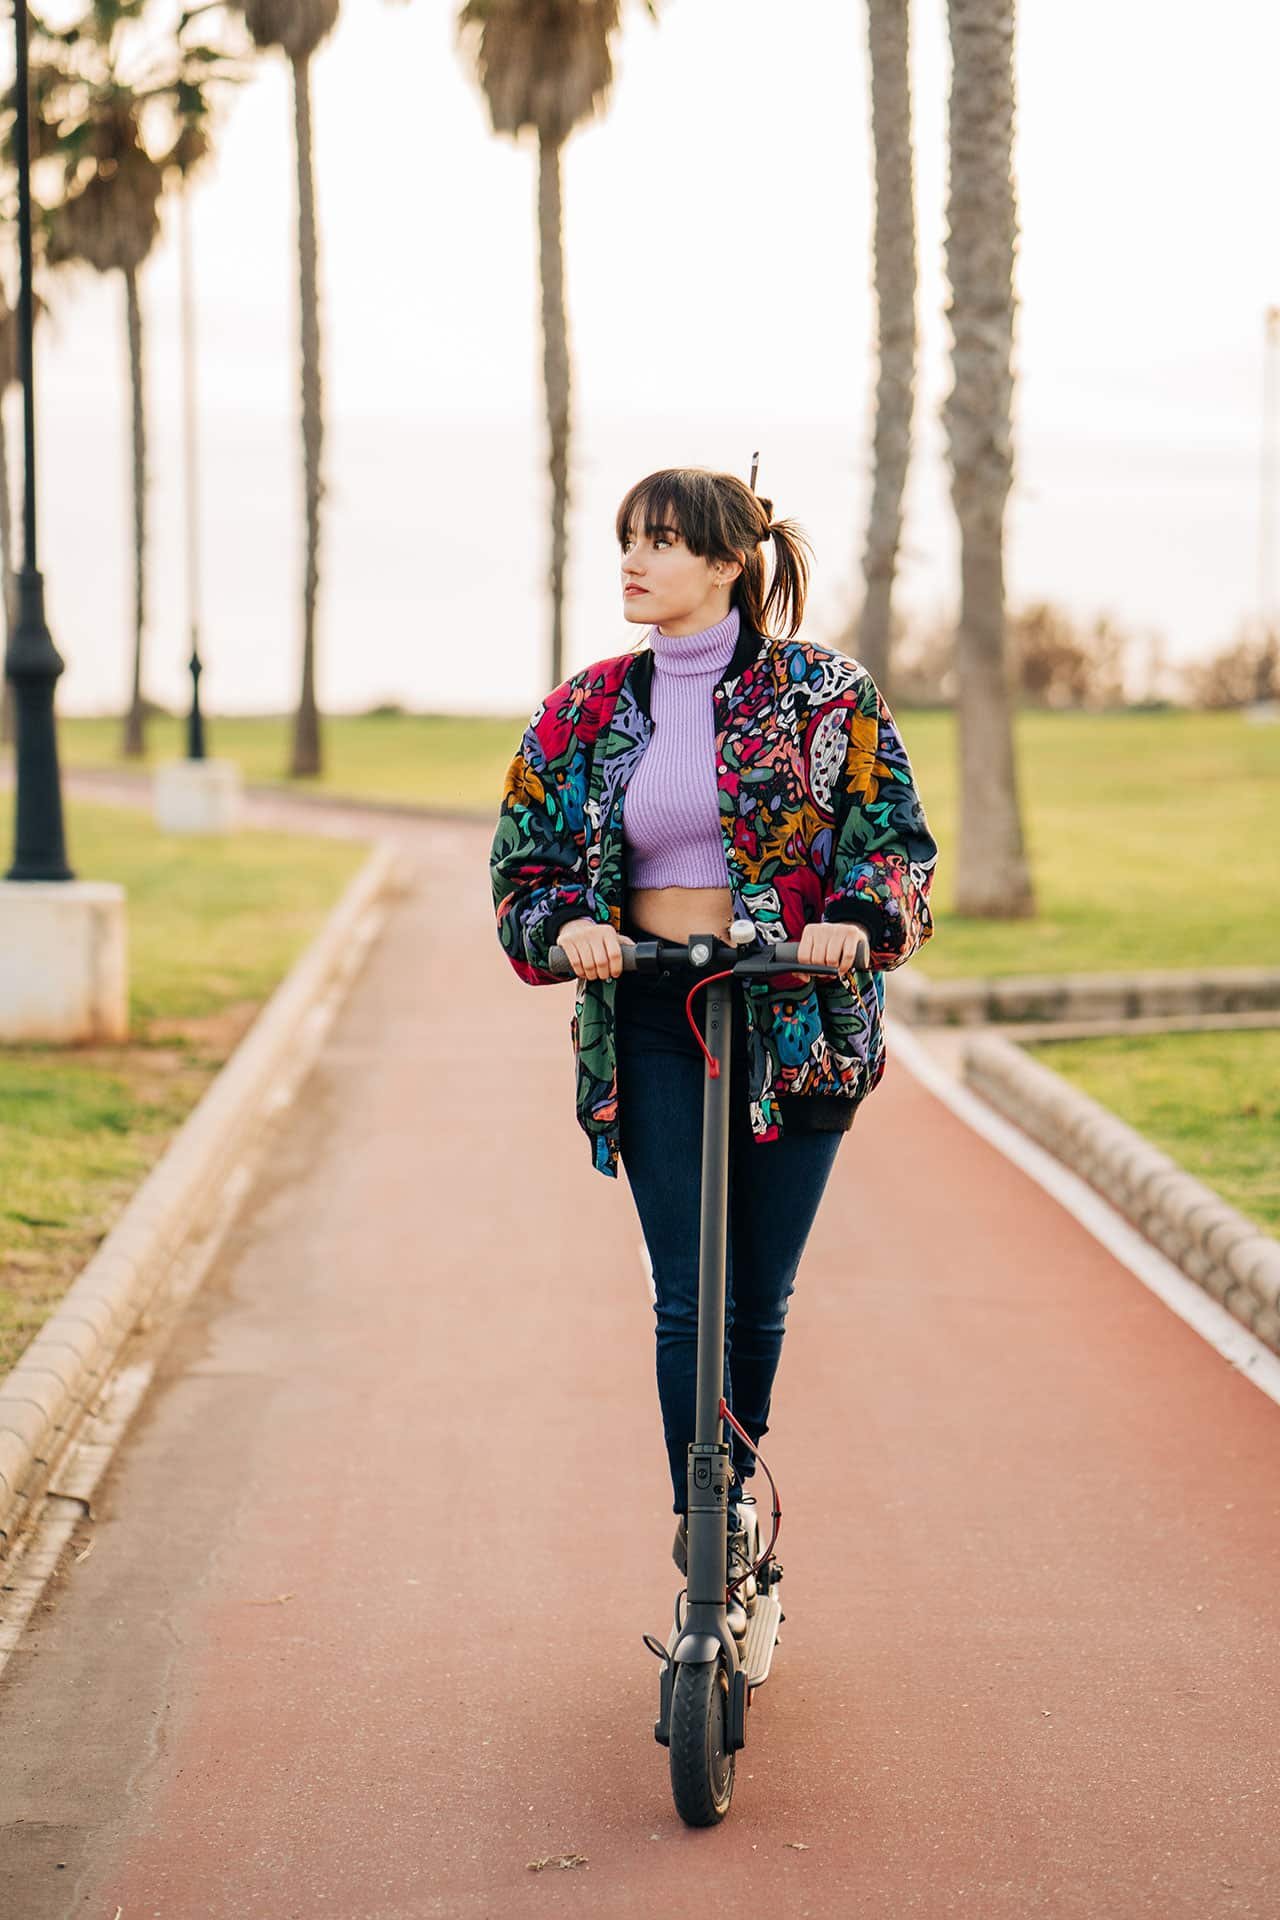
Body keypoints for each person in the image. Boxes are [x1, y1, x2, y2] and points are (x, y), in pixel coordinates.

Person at [490, 466, 937, 1626]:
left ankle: (737, 1491)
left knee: (757, 1293)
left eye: (661, 543)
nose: (632, 562)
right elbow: (521, 864)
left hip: (794, 1016)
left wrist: (857, 922)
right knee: (687, 1289)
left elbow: (891, 841)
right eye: (626, 541)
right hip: (648, 1009)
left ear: (728, 562)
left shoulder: (823, 693)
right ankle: (706, 1500)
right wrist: (570, 927)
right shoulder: (583, 709)